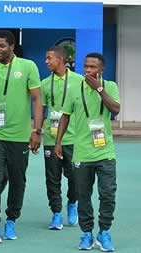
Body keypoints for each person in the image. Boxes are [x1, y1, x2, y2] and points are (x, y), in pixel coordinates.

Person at [0, 30, 43, 243]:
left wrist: (36, 130)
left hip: (19, 135)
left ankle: (11, 219)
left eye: (1, 46)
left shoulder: (28, 66)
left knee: (17, 179)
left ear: (12, 47)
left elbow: (37, 100)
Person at [55, 53, 120, 252]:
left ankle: (104, 232)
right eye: (86, 66)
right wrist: (58, 142)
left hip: (105, 151)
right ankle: (86, 233)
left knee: (108, 193)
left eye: (93, 67)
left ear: (101, 70)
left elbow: (115, 109)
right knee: (83, 195)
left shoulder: (110, 86)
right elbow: (65, 116)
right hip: (81, 152)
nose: (88, 70)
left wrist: (99, 89)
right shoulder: (74, 87)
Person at [41, 46, 83, 230]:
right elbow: (41, 110)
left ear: (61, 59)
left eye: (49, 58)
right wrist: (36, 131)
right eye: (46, 58)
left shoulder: (79, 81)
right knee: (52, 178)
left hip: (73, 139)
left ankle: (72, 202)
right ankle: (56, 213)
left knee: (74, 177)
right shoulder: (44, 83)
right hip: (51, 139)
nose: (46, 61)